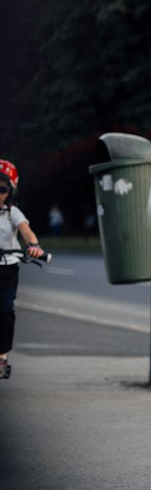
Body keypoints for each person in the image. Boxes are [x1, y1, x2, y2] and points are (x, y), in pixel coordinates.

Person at [0, 160, 43, 380]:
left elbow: (26, 231)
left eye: (2, 189)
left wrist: (33, 246)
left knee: (5, 310)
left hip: (7, 268)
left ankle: (1, 357)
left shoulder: (12, 213)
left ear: (11, 191)